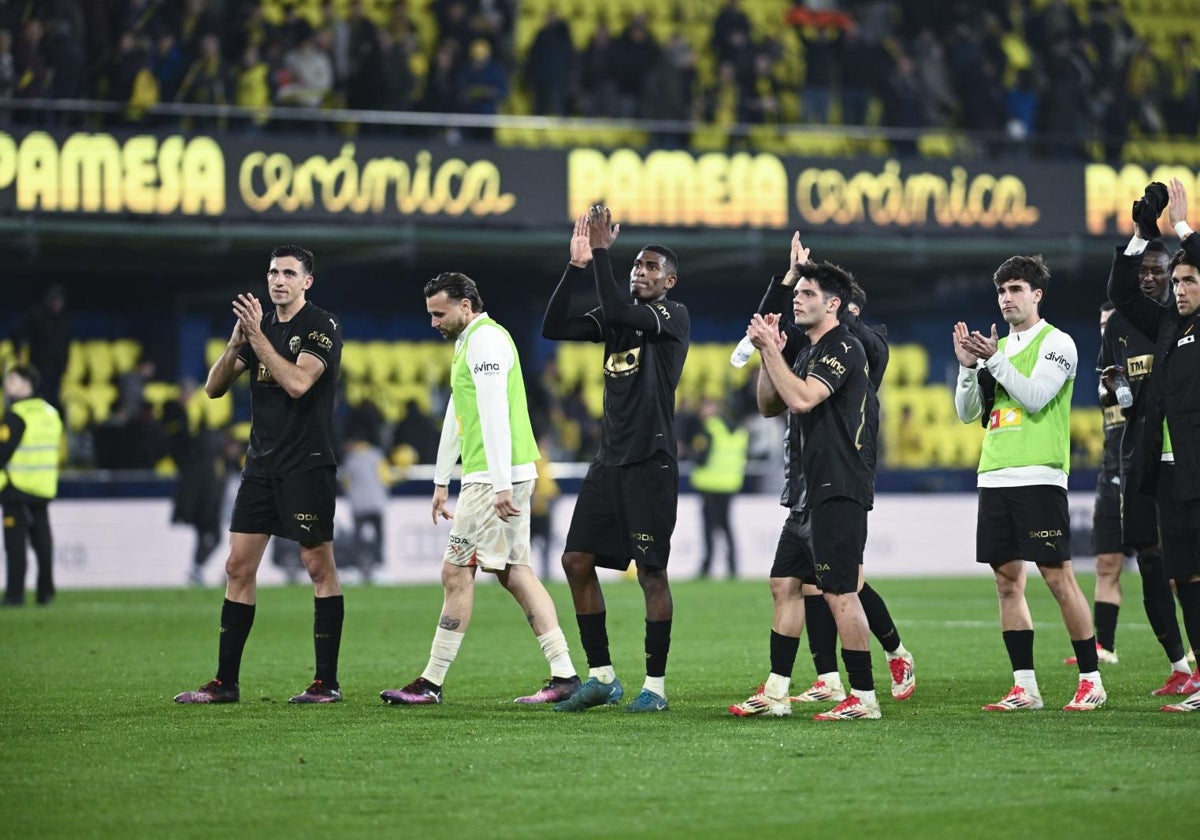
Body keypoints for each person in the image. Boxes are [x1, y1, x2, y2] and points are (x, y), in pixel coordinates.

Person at [728, 235, 913, 719]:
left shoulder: (844, 346)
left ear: (834, 305)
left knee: (839, 590)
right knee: (783, 584)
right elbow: (770, 403)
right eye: (797, 294)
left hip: (839, 485)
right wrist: (772, 352)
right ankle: (774, 693)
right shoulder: (807, 350)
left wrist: (773, 351)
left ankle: (863, 697)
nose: (797, 300)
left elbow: (804, 399)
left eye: (807, 294)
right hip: (806, 491)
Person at [381, 273, 581, 707]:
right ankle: (564, 673)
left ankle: (431, 682)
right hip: (497, 472)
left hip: (494, 476)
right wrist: (439, 478)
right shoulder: (468, 343)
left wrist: (500, 484)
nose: (433, 321)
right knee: (515, 571)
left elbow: (492, 413)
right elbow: (461, 407)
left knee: (457, 572)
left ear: (466, 306)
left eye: (440, 313)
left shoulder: (486, 342)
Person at [174, 245, 345, 705]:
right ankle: (225, 682)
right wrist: (235, 344)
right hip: (261, 465)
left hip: (307, 463)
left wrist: (258, 338)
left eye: (289, 273)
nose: (278, 280)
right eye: (272, 272)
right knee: (237, 566)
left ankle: (325, 683)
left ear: (307, 281)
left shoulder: (321, 327)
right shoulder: (258, 328)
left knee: (317, 566)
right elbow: (212, 389)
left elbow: (297, 383)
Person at [541, 207, 690, 713]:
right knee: (575, 560)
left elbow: (623, 312)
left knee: (651, 574)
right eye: (636, 266)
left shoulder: (671, 317)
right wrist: (578, 266)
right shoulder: (617, 318)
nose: (639, 271)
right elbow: (554, 326)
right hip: (608, 463)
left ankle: (656, 686)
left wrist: (604, 253)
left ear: (669, 281)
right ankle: (602, 675)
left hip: (651, 461)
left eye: (651, 267)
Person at [954, 254, 1106, 712]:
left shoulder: (1057, 342)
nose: (1007, 298)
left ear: (1037, 295)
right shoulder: (992, 350)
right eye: (1002, 291)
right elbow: (967, 414)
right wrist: (966, 367)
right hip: (995, 473)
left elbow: (1037, 397)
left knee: (1058, 578)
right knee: (1006, 583)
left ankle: (1090, 680)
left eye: (1016, 289)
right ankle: (1026, 687)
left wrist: (994, 359)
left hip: (1039, 474)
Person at [1109, 179, 1200, 712]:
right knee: (1183, 573)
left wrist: (1184, 230)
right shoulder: (1168, 323)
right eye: (1178, 281)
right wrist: (1143, 234)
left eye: (1190, 280)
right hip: (1167, 470)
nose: (1180, 289)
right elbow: (1122, 293)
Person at [1084, 280, 1195, 695]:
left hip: (1179, 465)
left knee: (1182, 569)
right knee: (1147, 563)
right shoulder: (1113, 350)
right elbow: (1123, 404)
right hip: (1131, 470)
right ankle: (1178, 665)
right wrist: (1120, 388)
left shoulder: (1179, 334)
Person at [0, 364, 63, 607]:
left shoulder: (16, 415)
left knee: (15, 544)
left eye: (13, 380)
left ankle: (15, 595)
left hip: (17, 487)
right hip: (44, 487)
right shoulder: (51, 413)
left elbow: (3, 452)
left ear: (27, 384)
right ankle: (45, 592)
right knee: (43, 541)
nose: (8, 385)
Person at [162, 379, 225, 587]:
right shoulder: (178, 418)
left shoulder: (199, 433)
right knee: (211, 533)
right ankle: (196, 568)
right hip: (201, 488)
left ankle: (196, 568)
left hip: (203, 488)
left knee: (210, 534)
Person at [691, 398, 749, 579]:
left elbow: (701, 458)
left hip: (709, 485)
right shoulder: (740, 432)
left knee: (709, 528)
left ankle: (707, 566)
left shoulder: (709, 429)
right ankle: (732, 565)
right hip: (730, 484)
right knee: (726, 526)